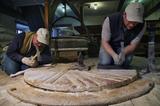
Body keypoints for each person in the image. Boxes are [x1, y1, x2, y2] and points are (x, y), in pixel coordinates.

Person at [98, 2, 146, 68]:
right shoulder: (110, 20)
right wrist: (114, 55)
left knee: (125, 62)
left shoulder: (142, 25)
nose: (132, 25)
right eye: (130, 21)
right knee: (106, 62)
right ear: (124, 14)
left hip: (124, 47)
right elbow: (104, 42)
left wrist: (123, 53)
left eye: (135, 23)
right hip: (109, 44)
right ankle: (110, 58)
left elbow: (133, 45)